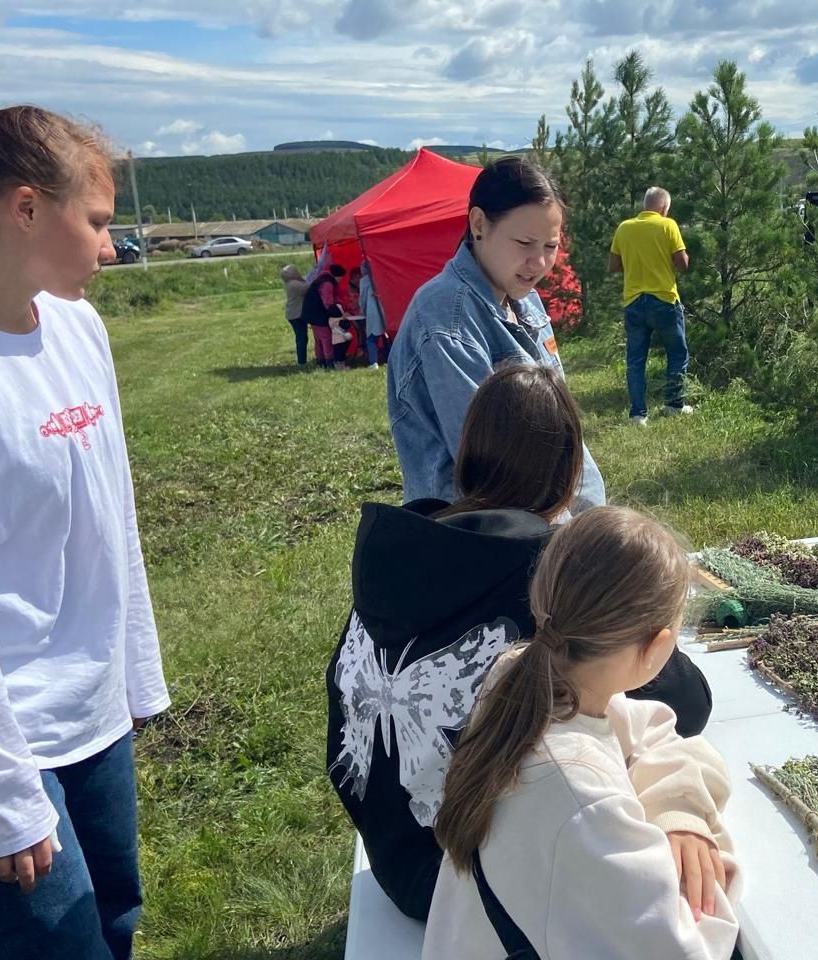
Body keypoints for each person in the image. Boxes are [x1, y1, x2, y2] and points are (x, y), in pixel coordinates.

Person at [327, 364, 713, 922]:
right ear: (568, 473)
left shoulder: (403, 545)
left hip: (392, 851)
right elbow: (688, 702)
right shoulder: (541, 569)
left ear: (468, 453)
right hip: (470, 883)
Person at [0, 104, 171, 959]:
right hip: (9, 735)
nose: (110, 248)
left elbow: (113, 513)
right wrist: (6, 794)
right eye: (97, 221)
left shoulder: (78, 327)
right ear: (27, 208)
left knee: (117, 921)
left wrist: (133, 673)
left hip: (92, 715)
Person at [424, 506, 740, 960]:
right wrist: (712, 861)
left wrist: (680, 815)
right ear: (659, 647)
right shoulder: (586, 804)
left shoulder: (523, 675)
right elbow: (686, 948)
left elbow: (649, 731)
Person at [387, 155, 605, 510]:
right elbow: (492, 471)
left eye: (550, 247)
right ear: (478, 224)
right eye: (524, 243)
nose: (539, 263)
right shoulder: (445, 317)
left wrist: (595, 520)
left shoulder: (528, 303)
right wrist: (568, 544)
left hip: (541, 524)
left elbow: (565, 437)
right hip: (476, 538)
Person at [610, 186, 692, 426]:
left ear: (645, 205)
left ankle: (638, 414)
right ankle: (674, 405)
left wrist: (637, 264)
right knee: (677, 352)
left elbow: (614, 265)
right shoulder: (668, 225)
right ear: (664, 208)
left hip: (634, 301)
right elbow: (683, 263)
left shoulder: (624, 228)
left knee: (636, 359)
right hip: (664, 299)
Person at [301, 263, 346, 370]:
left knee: (318, 340)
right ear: (338, 276)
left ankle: (320, 361)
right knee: (326, 339)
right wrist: (341, 313)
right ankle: (329, 363)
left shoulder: (322, 278)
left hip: (311, 314)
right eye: (341, 278)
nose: (340, 280)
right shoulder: (327, 284)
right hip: (318, 315)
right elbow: (328, 304)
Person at [359, 259, 387, 369]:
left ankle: (373, 362)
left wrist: (362, 310)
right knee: (385, 335)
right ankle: (389, 358)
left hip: (373, 311)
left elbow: (363, 299)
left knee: (371, 338)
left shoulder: (365, 280)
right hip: (385, 310)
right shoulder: (381, 276)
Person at [280, 264, 309, 366]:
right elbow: (307, 287)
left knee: (300, 337)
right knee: (302, 338)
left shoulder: (290, 283)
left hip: (293, 314)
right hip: (297, 314)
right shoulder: (295, 284)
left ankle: (302, 360)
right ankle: (302, 361)